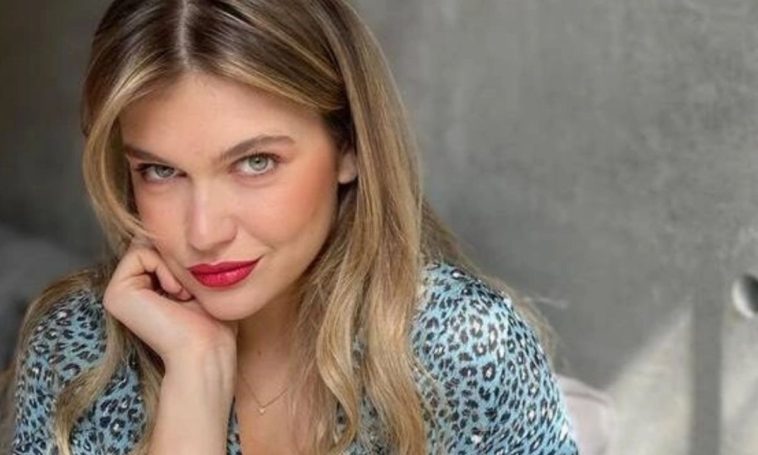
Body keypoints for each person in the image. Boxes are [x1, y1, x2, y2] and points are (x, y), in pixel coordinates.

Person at [1, 0, 579, 454]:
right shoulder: (76, 350)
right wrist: (195, 380)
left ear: (349, 146)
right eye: (161, 171)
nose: (203, 232)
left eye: (256, 162)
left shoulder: (462, 347)